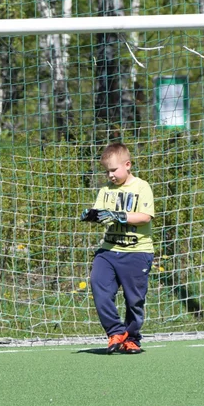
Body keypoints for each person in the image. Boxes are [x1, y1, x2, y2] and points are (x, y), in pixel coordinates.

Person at [80, 142, 155, 354]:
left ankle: (131, 338)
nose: (110, 175)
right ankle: (115, 330)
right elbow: (101, 213)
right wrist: (92, 216)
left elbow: (145, 217)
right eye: (107, 171)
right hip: (109, 252)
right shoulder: (105, 190)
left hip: (137, 252)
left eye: (114, 170)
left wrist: (119, 215)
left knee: (134, 300)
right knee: (98, 285)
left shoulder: (142, 187)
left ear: (128, 165)